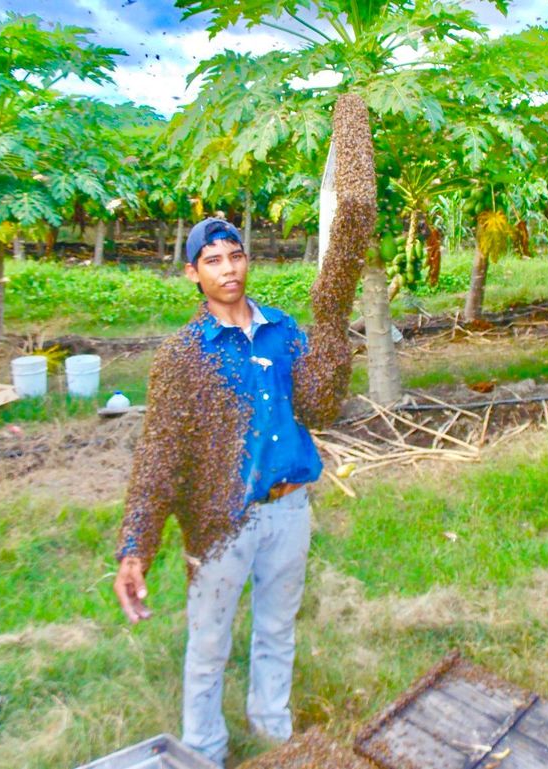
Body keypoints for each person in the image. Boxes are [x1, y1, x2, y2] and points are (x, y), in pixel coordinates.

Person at [113, 94, 375, 769]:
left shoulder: (285, 330)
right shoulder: (184, 355)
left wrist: (333, 326)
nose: (229, 267)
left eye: (236, 255)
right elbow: (158, 457)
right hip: (220, 519)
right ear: (194, 272)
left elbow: (318, 408)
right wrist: (136, 545)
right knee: (209, 643)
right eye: (214, 260)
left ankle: (274, 734)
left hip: (289, 508)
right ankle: (203, 749)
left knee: (277, 629)